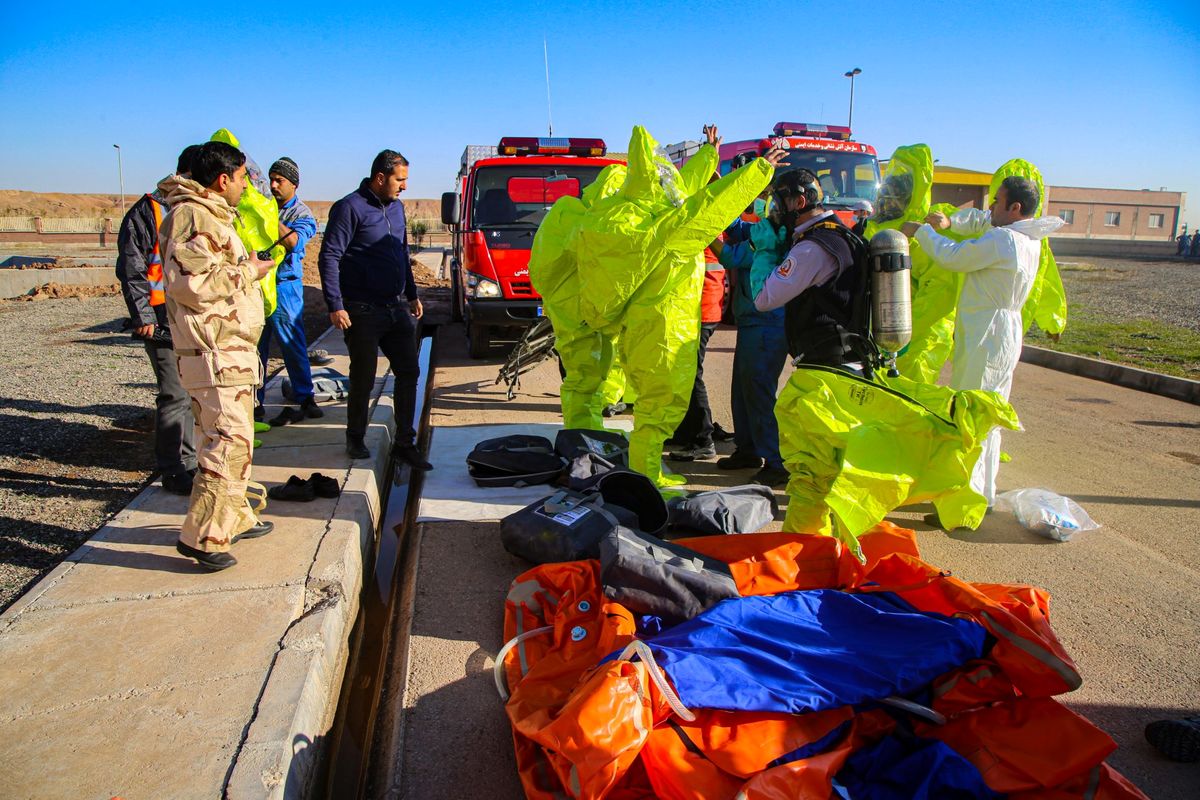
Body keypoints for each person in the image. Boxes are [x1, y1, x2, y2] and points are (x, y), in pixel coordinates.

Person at [159, 141, 276, 570]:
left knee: (237, 443)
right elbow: (192, 285)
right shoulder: (191, 215)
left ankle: (234, 517)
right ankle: (202, 537)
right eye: (242, 178)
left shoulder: (211, 215)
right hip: (213, 353)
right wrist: (249, 271)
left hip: (227, 353)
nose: (246, 187)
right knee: (225, 445)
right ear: (222, 179)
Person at [913, 177, 1065, 508]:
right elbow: (983, 220)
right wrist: (951, 220)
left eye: (998, 201)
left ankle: (964, 502)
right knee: (988, 416)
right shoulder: (1028, 237)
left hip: (987, 333)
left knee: (971, 413)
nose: (991, 207)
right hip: (1002, 332)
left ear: (1015, 208)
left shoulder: (1005, 241)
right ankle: (982, 494)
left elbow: (953, 257)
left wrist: (925, 233)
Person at [318, 150, 430, 469]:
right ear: (381, 178)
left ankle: (405, 444)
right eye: (400, 179)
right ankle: (356, 437)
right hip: (361, 310)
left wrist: (411, 293)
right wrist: (335, 305)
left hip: (395, 308)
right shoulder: (349, 208)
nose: (405, 186)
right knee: (364, 377)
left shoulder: (397, 208)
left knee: (409, 371)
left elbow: (401, 251)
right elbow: (329, 257)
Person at [115, 144, 201, 496]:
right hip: (161, 319)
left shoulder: (190, 210)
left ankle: (190, 462)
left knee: (191, 392)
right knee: (174, 394)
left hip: (187, 316)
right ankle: (173, 468)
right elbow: (132, 269)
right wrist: (143, 315)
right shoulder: (147, 211)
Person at [711, 182, 790, 487]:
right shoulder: (765, 229)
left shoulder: (771, 237)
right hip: (753, 322)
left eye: (766, 198)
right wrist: (720, 188)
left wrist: (705, 234)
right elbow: (736, 225)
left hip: (766, 323)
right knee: (743, 391)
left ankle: (775, 461)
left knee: (758, 392)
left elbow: (731, 256)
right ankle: (748, 449)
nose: (761, 203)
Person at [259, 157, 321, 423]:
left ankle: (304, 396)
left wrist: (268, 217)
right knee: (256, 347)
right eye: (271, 179)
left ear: (294, 184)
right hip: (259, 284)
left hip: (285, 287)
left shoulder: (302, 215)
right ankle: (254, 401)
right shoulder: (262, 207)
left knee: (291, 343)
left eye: (279, 180)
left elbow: (294, 241)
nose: (273, 185)